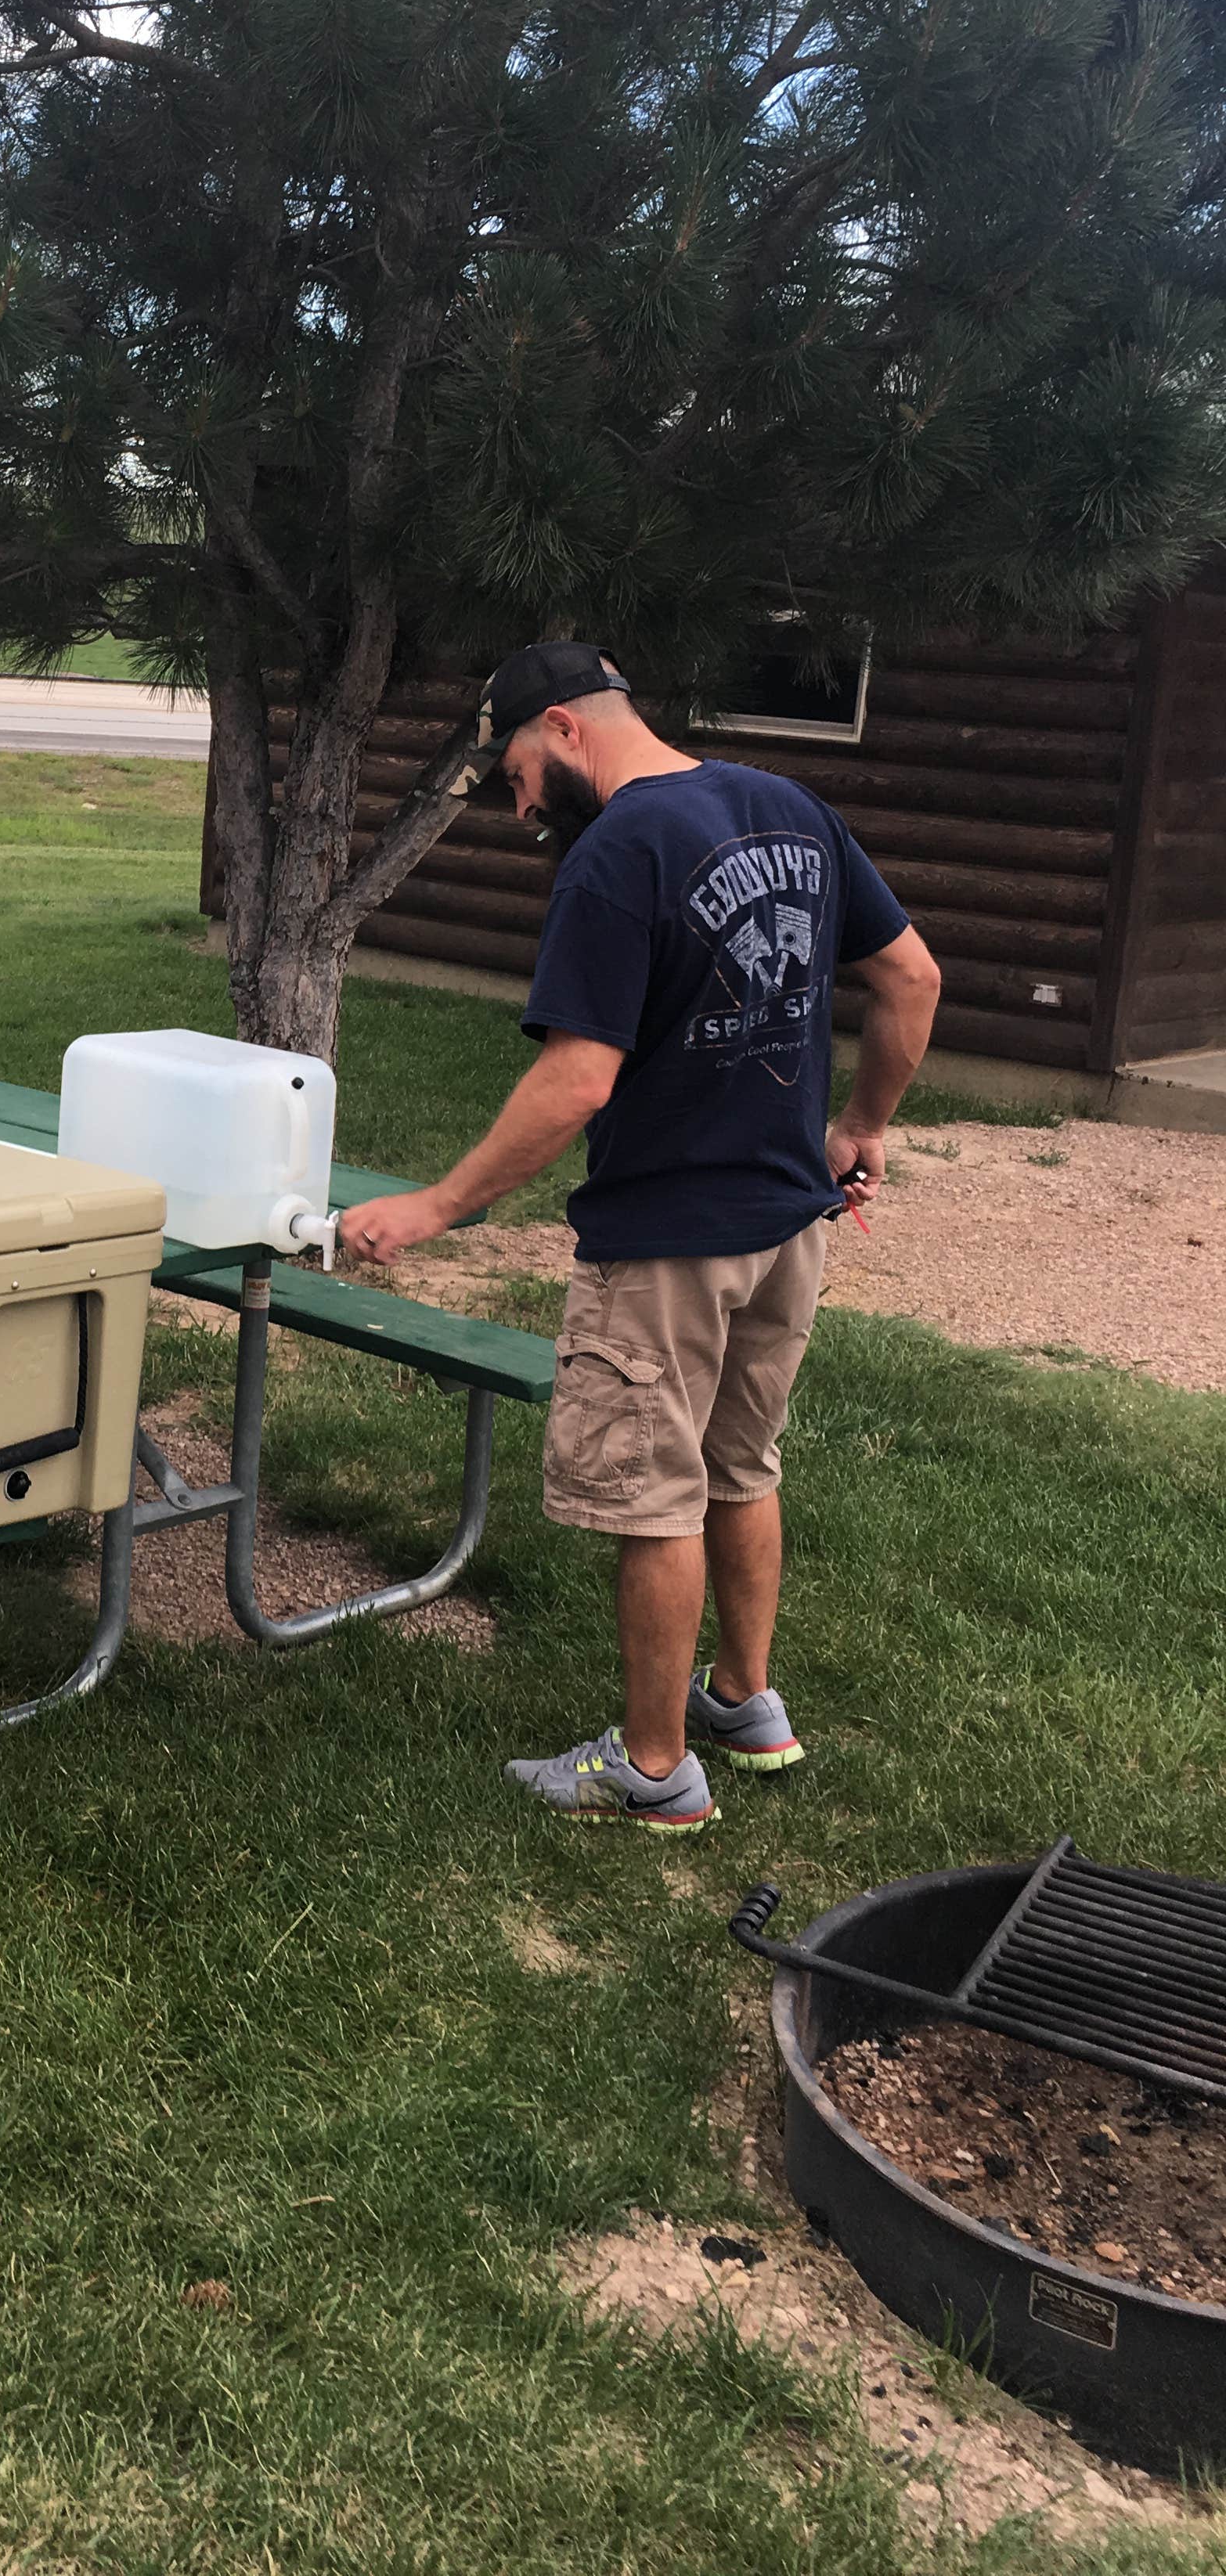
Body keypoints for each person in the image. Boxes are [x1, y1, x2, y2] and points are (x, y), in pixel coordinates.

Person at [337, 642, 942, 1832]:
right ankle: (747, 1700)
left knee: (655, 1498)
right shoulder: (787, 806)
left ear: (561, 727)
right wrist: (862, 1123)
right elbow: (912, 977)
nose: (514, 803)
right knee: (741, 1466)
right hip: (787, 1223)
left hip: (668, 1241)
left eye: (509, 768)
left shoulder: (619, 853)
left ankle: (657, 1770)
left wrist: (436, 1206)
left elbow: (576, 1081)